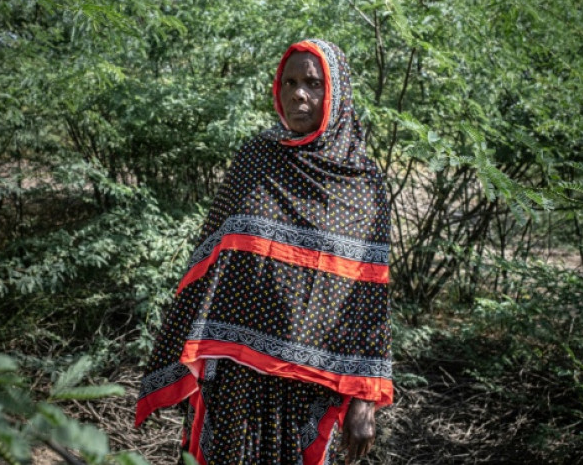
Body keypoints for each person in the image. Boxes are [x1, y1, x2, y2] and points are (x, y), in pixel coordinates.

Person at [135, 39, 392, 465]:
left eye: (313, 83)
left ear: (337, 91)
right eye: (289, 82)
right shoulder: (256, 159)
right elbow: (209, 262)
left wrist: (364, 400)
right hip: (237, 373)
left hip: (311, 383)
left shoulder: (362, 181)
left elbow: (370, 300)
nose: (298, 94)